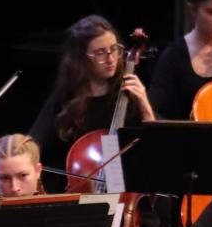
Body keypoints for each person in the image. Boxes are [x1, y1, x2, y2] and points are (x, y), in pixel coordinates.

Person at [28, 15, 156, 175]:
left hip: (125, 189)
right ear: (81, 59)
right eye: (100, 53)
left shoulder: (129, 94)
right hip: (74, 190)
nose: (111, 59)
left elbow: (155, 150)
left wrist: (145, 106)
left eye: (114, 49)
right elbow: (33, 146)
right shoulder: (65, 97)